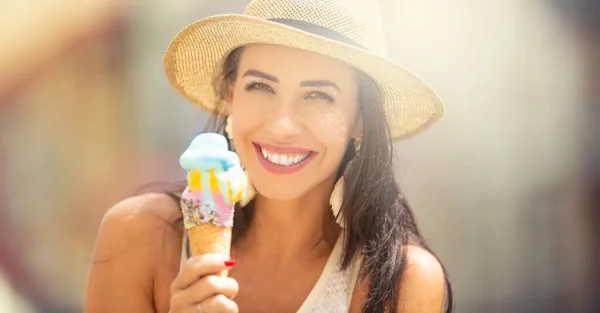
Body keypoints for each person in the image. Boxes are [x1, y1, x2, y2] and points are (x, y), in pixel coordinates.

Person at [85, 0, 454, 312]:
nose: (281, 126)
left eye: (318, 95)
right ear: (231, 97)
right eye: (260, 86)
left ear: (360, 118)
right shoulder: (138, 238)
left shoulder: (402, 282)